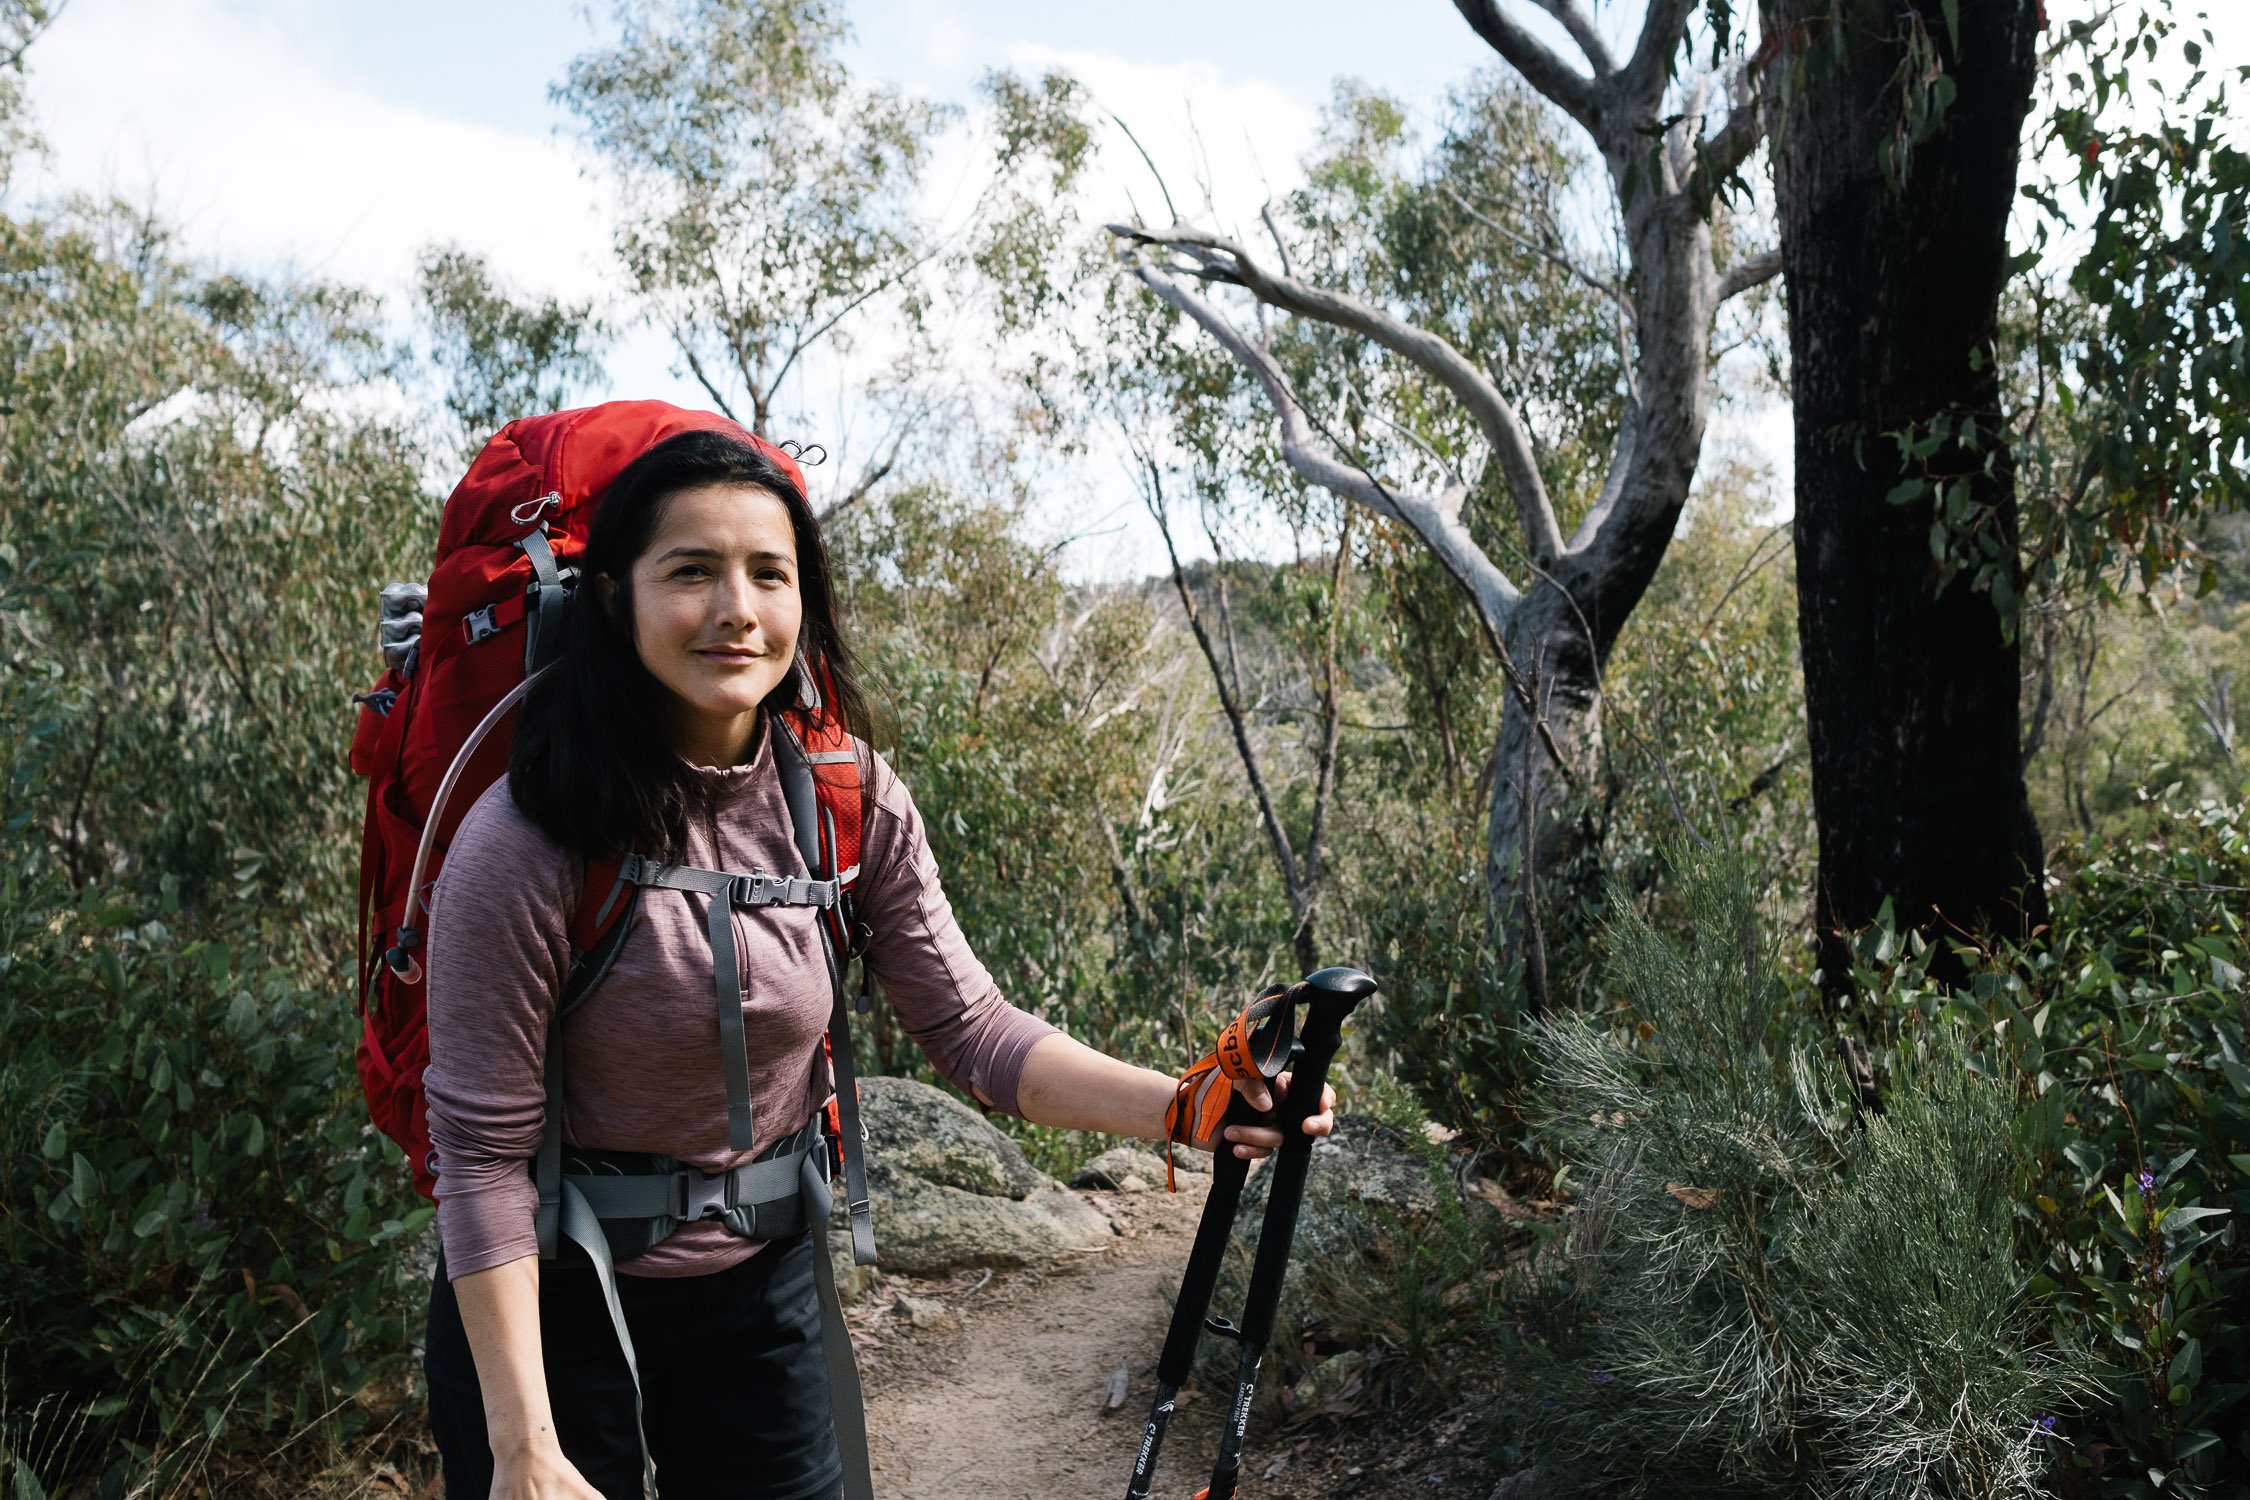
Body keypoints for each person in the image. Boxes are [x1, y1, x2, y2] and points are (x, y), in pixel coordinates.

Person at [417, 426, 1334, 1500]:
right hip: (552, 1297)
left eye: (770, 572)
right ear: (614, 596)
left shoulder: (846, 803)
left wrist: (1188, 1107)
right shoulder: (525, 840)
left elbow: (976, 1031)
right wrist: (523, 1445)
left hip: (762, 1289)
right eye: (691, 573)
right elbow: (479, 1158)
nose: (737, 609)